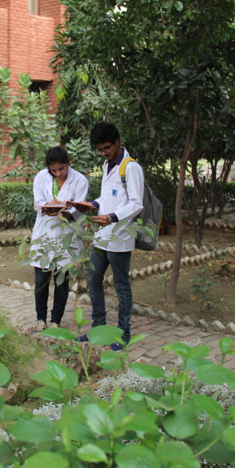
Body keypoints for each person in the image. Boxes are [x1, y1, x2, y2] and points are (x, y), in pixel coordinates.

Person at [74, 122, 144, 351]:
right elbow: (108, 197)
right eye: (100, 150)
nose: (103, 153)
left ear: (117, 143)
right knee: (94, 281)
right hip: (102, 236)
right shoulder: (107, 165)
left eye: (106, 148)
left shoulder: (131, 167)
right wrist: (91, 204)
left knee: (122, 286)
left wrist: (113, 217)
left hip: (120, 236)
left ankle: (124, 334)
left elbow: (136, 204)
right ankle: (99, 329)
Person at [29, 146, 90, 331]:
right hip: (44, 234)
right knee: (41, 280)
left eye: (61, 169)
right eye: (53, 170)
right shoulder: (41, 177)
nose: (57, 173)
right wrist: (49, 205)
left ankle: (56, 321)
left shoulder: (79, 180)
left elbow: (79, 210)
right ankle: (41, 319)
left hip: (67, 236)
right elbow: (37, 203)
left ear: (68, 164)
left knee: (62, 281)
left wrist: (64, 209)